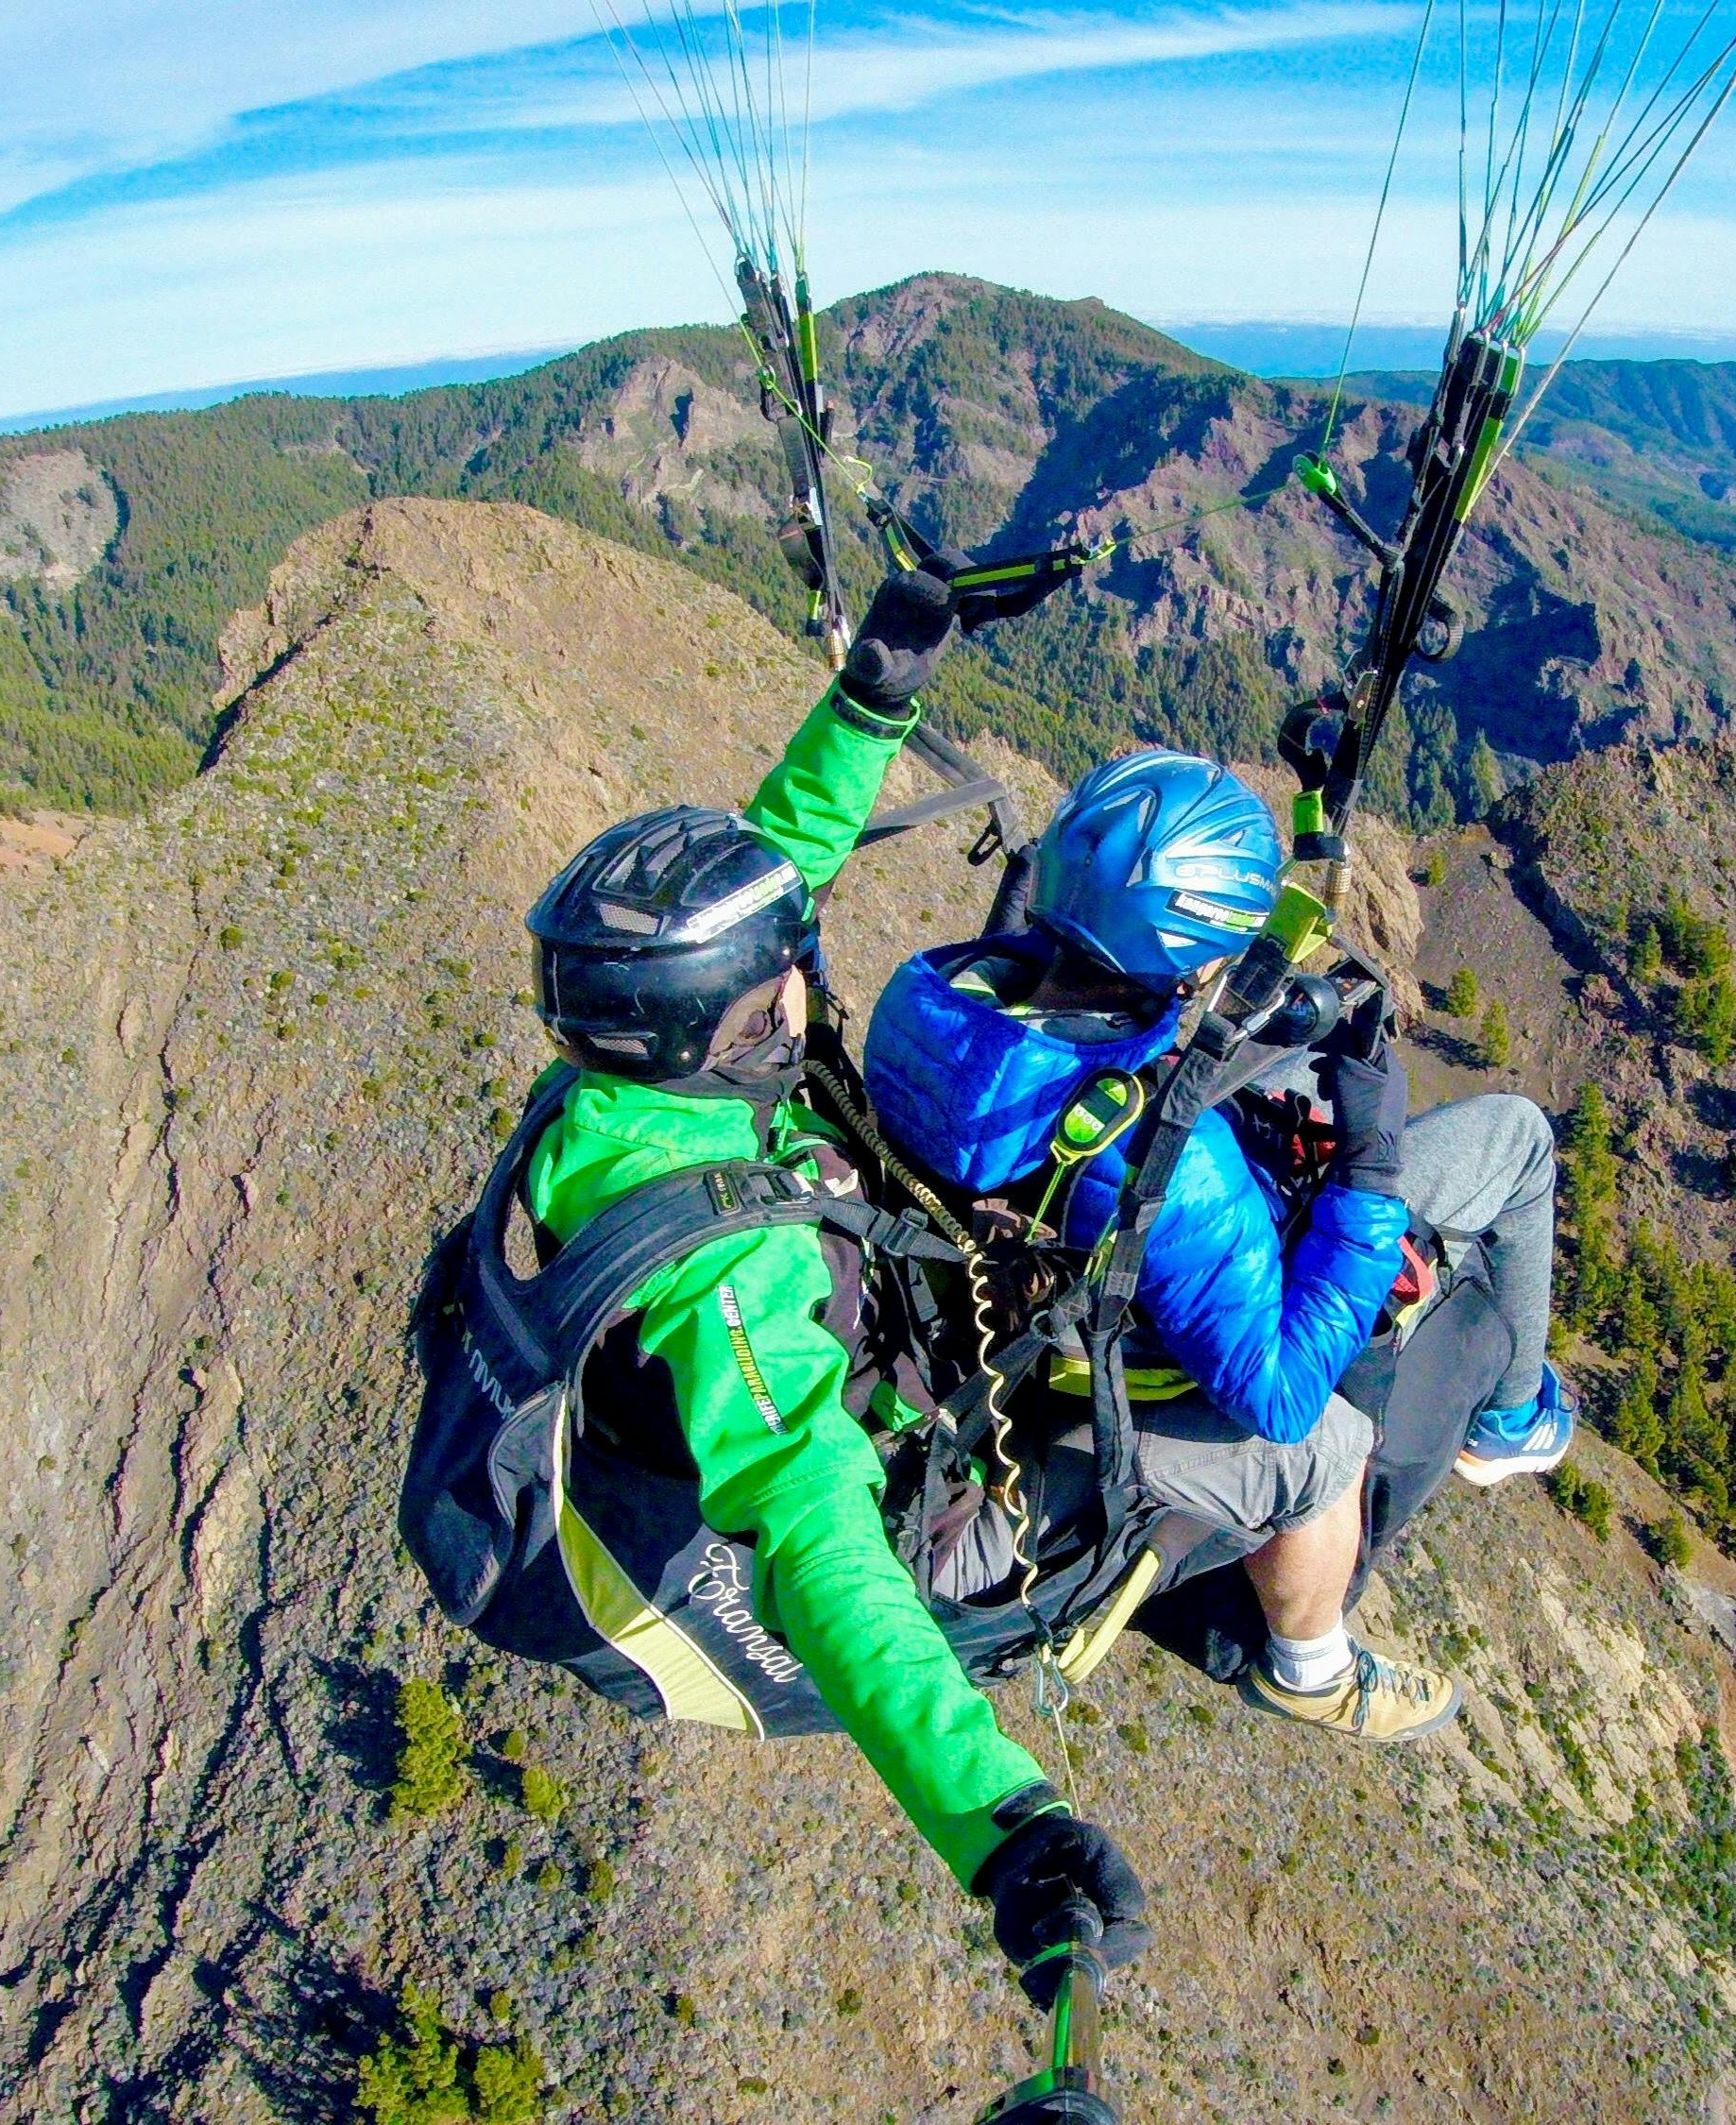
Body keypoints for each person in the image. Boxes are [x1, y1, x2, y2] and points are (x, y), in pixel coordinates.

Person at [518, 556, 1147, 2004]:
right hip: (888, 1514)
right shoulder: (723, 1258)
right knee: (1165, 1461)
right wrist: (1000, 1823)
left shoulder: (631, 1086)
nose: (804, 959)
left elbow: (778, 858)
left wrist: (872, 697)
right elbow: (818, 1541)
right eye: (782, 967)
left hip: (847, 1331)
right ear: (740, 1023)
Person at [862, 750, 1577, 1743]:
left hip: (1013, 1288)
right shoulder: (1170, 1159)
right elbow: (1278, 1396)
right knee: (1336, 1424)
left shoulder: (929, 998)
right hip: (1120, 1360)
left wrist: (1319, 828)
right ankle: (1315, 1663)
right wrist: (1369, 1168)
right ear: (1198, 954)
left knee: (1313, 1091)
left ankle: (1499, 1417)